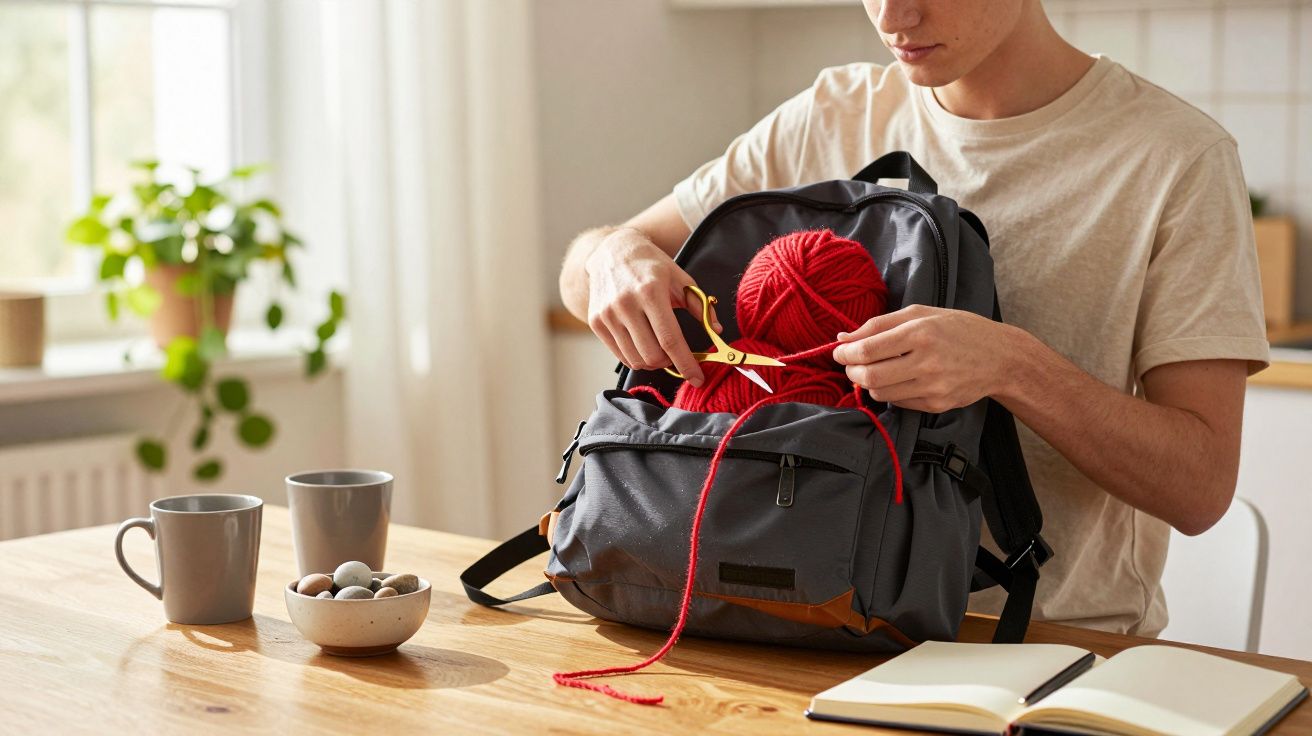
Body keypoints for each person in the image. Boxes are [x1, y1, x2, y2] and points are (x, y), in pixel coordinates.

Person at [557, 0, 1269, 637]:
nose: (893, 17)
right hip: (805, 619)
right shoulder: (831, 114)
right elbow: (583, 273)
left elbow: (1200, 488)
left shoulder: (1176, 159)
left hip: (1049, 647)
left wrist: (1011, 367)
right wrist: (613, 255)